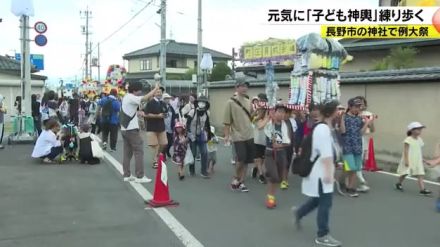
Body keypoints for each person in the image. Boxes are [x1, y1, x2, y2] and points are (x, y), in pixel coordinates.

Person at [292, 100, 342, 247]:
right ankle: (322, 234)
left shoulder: (327, 127)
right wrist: (328, 174)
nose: (339, 112)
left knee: (318, 200)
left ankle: (299, 213)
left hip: (323, 170)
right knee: (325, 203)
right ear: (331, 112)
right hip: (321, 172)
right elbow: (325, 154)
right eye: (338, 110)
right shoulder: (323, 129)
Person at [120, 81, 159, 183]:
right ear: (134, 90)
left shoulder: (127, 97)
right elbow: (144, 98)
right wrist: (155, 89)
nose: (141, 92)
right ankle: (140, 176)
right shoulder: (131, 97)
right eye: (139, 90)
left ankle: (127, 175)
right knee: (139, 151)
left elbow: (142, 102)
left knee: (127, 153)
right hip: (131, 130)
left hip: (125, 129)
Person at [224, 77, 255, 192]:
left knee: (247, 160)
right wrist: (227, 136)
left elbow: (250, 117)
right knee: (241, 158)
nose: (244, 88)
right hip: (238, 135)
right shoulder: (230, 102)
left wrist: (258, 112)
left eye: (246, 86)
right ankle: (236, 177)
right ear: (236, 87)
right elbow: (227, 121)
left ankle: (241, 181)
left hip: (249, 134)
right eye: (242, 86)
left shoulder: (249, 101)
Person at [339, 98, 373, 197]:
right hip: (347, 146)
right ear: (350, 107)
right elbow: (342, 131)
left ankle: (350, 187)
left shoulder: (359, 118)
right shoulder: (344, 117)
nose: (358, 109)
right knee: (350, 167)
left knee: (354, 168)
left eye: (359, 107)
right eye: (355, 106)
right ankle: (345, 184)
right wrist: (341, 118)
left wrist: (367, 122)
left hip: (358, 146)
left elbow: (361, 133)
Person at [262, 104, 291, 208]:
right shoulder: (269, 123)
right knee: (274, 176)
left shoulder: (284, 125)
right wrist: (269, 117)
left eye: (283, 112)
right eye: (279, 111)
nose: (282, 114)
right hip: (270, 152)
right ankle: (270, 197)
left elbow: (288, 142)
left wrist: (280, 145)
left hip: (281, 153)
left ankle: (272, 196)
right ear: (275, 112)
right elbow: (260, 126)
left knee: (277, 178)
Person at [395, 122, 432, 195]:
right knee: (405, 173)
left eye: (420, 130)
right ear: (412, 130)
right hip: (409, 160)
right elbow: (405, 151)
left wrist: (424, 160)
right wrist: (406, 161)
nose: (420, 131)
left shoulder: (420, 140)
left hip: (417, 160)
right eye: (418, 129)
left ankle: (422, 190)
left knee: (420, 174)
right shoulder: (408, 139)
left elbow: (419, 152)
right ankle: (399, 183)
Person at [186, 96, 213, 178]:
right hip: (192, 136)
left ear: (206, 104)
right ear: (197, 103)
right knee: (193, 154)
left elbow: (207, 125)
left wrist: (209, 136)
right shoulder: (192, 112)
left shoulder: (206, 113)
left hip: (201, 136)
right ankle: (191, 170)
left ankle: (203, 171)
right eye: (200, 102)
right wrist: (190, 136)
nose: (202, 104)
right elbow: (187, 125)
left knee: (204, 153)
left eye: (203, 102)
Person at [144, 86, 167, 168]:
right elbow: (146, 114)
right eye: (157, 92)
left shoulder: (163, 103)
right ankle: (155, 161)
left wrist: (165, 115)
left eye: (160, 92)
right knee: (155, 145)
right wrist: (157, 116)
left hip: (161, 126)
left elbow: (165, 113)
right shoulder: (150, 103)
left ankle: (157, 156)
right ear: (154, 93)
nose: (159, 93)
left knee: (164, 143)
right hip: (151, 127)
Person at [355, 96, 375, 192]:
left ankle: (358, 177)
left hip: (365, 139)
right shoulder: (353, 114)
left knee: (362, 159)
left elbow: (372, 130)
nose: (361, 106)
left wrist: (369, 122)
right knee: (355, 159)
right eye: (359, 104)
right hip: (355, 139)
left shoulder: (368, 114)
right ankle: (361, 181)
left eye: (362, 103)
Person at [252, 93, 268, 184]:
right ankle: (261, 174)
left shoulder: (269, 112)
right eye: (260, 101)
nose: (261, 103)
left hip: (265, 139)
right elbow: (259, 126)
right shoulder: (256, 115)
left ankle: (256, 168)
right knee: (258, 157)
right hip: (257, 139)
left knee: (262, 158)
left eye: (263, 101)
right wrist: (258, 112)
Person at [162, 93, 178, 159]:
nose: (167, 100)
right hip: (163, 128)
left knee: (170, 142)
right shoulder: (161, 106)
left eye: (168, 98)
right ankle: (164, 154)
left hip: (170, 127)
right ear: (163, 99)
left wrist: (176, 122)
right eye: (166, 98)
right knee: (164, 142)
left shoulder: (170, 107)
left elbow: (174, 115)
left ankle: (167, 151)